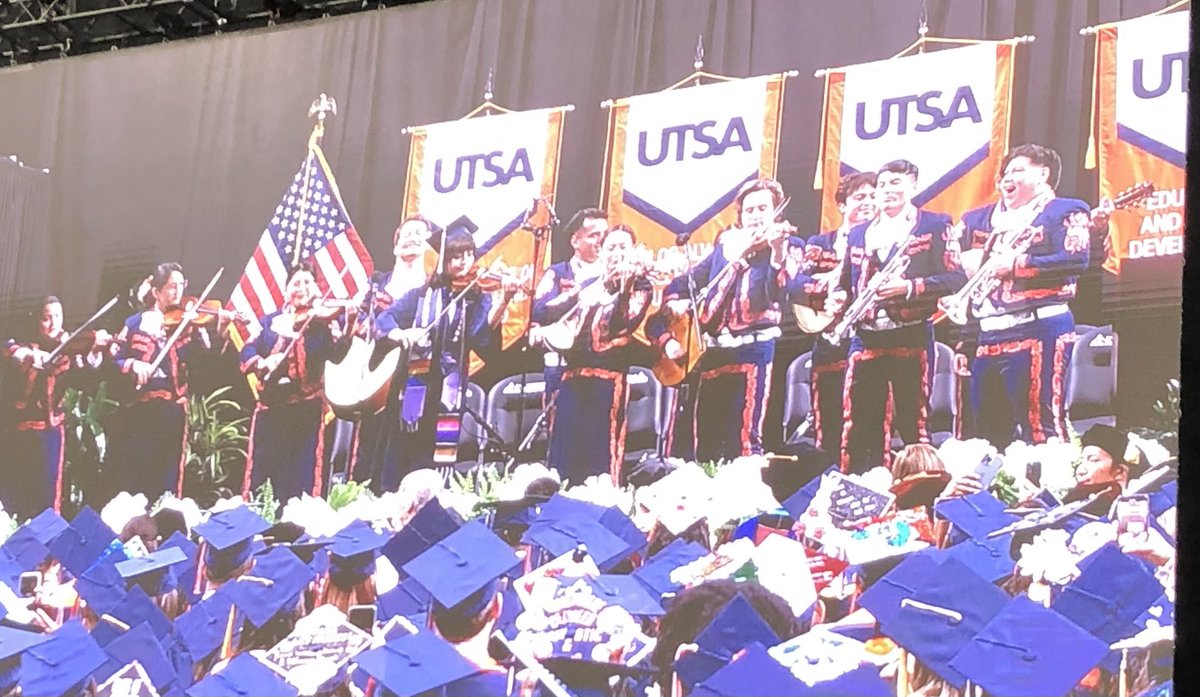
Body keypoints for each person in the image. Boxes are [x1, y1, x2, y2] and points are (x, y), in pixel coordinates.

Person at [649, 178, 804, 461]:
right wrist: (678, 303)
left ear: (775, 213)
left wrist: (777, 252)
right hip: (714, 352)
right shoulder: (726, 247)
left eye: (762, 208)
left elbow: (782, 290)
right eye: (749, 210)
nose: (756, 215)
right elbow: (686, 283)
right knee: (705, 437)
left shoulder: (788, 245)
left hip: (754, 349)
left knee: (745, 435)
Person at [826, 160, 965, 473]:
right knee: (859, 419)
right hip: (866, 336)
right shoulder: (859, 233)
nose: (887, 190)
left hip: (911, 333)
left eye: (896, 183)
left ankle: (922, 489)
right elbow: (848, 282)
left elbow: (955, 278)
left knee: (914, 419)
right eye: (883, 184)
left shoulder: (934, 224)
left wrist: (909, 287)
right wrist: (839, 298)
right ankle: (862, 484)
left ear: (913, 186)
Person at [954, 144, 1091, 446]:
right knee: (985, 432)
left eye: (1018, 170)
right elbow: (969, 289)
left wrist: (1016, 265)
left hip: (1039, 327)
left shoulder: (1066, 210)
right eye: (1005, 172)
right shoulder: (977, 220)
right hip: (987, 335)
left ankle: (1049, 490)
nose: (1007, 177)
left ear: (1043, 174)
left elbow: (1075, 259)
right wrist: (966, 339)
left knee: (1040, 425)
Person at [376, 225, 519, 479]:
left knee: (437, 451)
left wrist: (505, 299)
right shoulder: (422, 295)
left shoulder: (477, 297)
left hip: (449, 385)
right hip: (415, 384)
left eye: (468, 254)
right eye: (456, 256)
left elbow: (481, 335)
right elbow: (387, 318)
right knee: (404, 447)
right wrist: (401, 334)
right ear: (444, 259)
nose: (464, 262)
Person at [545, 225, 654, 486]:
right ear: (602, 253)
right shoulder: (588, 286)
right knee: (565, 454)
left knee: (600, 455)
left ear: (633, 252)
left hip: (608, 381)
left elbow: (622, 322)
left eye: (623, 247)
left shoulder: (641, 286)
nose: (617, 253)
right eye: (611, 247)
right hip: (571, 378)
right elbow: (551, 310)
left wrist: (624, 289)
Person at [106, 263, 219, 501]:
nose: (177, 292)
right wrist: (134, 365)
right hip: (141, 410)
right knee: (139, 469)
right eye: (171, 287)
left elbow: (204, 361)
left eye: (181, 286)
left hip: (172, 410)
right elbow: (113, 361)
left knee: (169, 472)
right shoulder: (135, 323)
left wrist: (201, 331)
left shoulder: (189, 323)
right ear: (156, 292)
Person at [239, 263, 348, 502]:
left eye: (307, 283)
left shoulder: (321, 322)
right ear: (286, 289)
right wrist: (263, 363)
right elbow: (247, 350)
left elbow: (337, 354)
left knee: (302, 473)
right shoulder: (269, 322)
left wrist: (332, 327)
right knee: (263, 473)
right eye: (296, 283)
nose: (301, 288)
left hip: (306, 410)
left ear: (316, 288)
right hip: (271, 410)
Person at [1, 296, 110, 517]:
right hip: (20, 431)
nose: (54, 324)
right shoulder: (24, 342)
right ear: (36, 321)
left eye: (58, 317)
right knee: (16, 487)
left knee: (47, 489)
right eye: (46, 319)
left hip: (52, 432)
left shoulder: (69, 347)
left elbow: (84, 381)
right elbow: (10, 351)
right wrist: (30, 355)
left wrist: (93, 353)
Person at [793, 172, 877, 456]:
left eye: (872, 196)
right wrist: (830, 281)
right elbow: (796, 285)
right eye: (860, 197)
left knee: (868, 423)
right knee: (828, 422)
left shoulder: (882, 240)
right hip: (830, 343)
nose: (868, 202)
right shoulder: (821, 242)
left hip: (869, 340)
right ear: (842, 205)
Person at [353, 215, 438, 489]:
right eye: (406, 234)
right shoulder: (376, 284)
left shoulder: (433, 288)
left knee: (408, 439)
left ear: (429, 245)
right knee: (371, 443)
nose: (411, 237)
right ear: (395, 247)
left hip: (416, 373)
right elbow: (359, 324)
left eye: (419, 233)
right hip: (377, 374)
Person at [530, 208, 607, 422]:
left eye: (604, 235)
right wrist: (571, 297)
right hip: (562, 365)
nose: (600, 241)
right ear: (575, 241)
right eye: (594, 235)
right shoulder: (558, 273)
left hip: (601, 365)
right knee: (560, 428)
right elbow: (539, 310)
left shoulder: (614, 275)